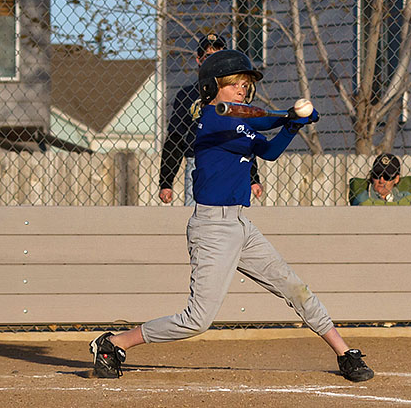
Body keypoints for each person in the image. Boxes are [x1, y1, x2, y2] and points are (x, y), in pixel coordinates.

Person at [90, 49, 374, 383]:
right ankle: (113, 344)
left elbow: (268, 151)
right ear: (213, 87)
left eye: (245, 83)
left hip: (241, 225)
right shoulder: (211, 121)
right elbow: (257, 124)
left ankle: (344, 353)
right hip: (212, 228)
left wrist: (292, 125)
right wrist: (287, 118)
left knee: (294, 287)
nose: (242, 88)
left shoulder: (239, 122)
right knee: (197, 319)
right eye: (234, 82)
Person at [159, 33, 262, 205]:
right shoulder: (187, 96)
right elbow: (175, 139)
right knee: (200, 212)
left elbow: (244, 136)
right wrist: (166, 182)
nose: (214, 60)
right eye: (208, 56)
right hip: (199, 163)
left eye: (219, 55)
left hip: (232, 160)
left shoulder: (234, 96)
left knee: (232, 214)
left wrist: (253, 177)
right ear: (199, 59)